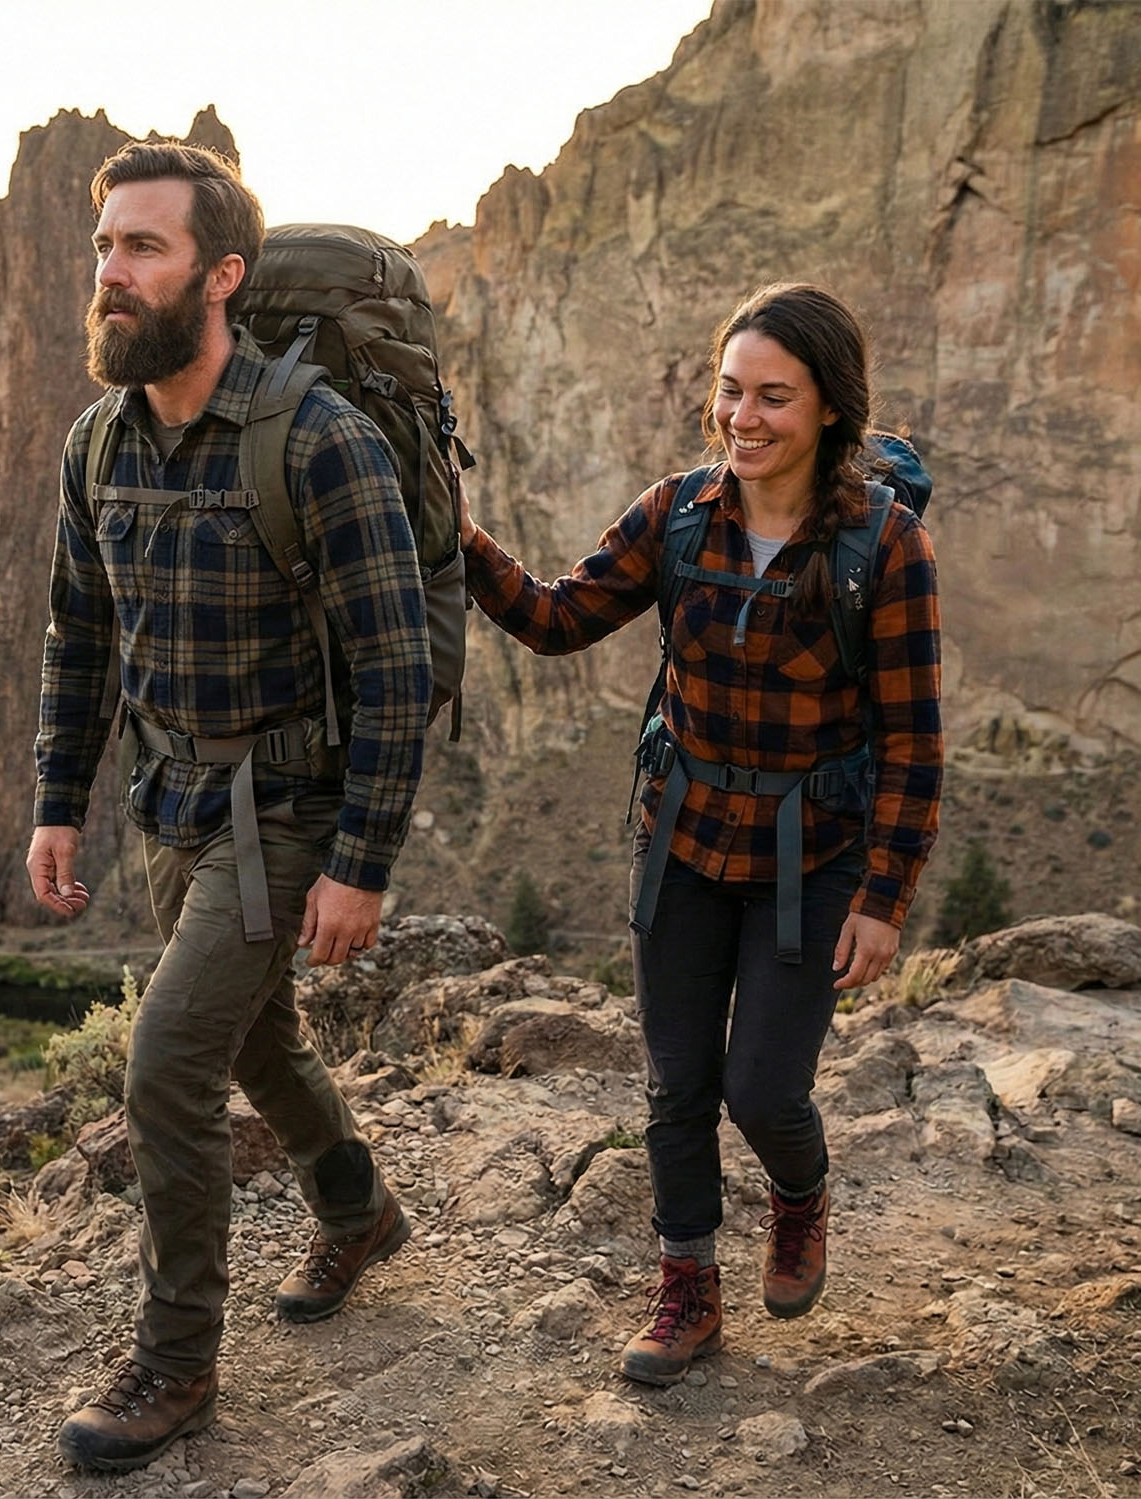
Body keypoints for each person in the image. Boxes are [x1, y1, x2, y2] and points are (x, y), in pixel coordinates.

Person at [27, 138, 431, 1472]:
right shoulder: (99, 444)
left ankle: (177, 1358)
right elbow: (80, 640)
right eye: (104, 247)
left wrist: (359, 863)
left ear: (221, 275)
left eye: (142, 247)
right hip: (171, 803)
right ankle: (359, 1208)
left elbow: (395, 664)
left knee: (165, 1069)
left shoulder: (321, 441)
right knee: (253, 1041)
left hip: (288, 810)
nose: (111, 273)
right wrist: (55, 806)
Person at [459, 283, 942, 1385]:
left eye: (774, 395)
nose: (745, 416)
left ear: (829, 407)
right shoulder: (677, 512)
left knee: (761, 1089)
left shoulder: (886, 545)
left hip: (807, 860)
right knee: (675, 1085)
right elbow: (555, 615)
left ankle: (799, 1193)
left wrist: (883, 897)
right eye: (729, 391)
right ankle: (684, 1289)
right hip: (678, 838)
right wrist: (462, 539)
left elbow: (913, 740)